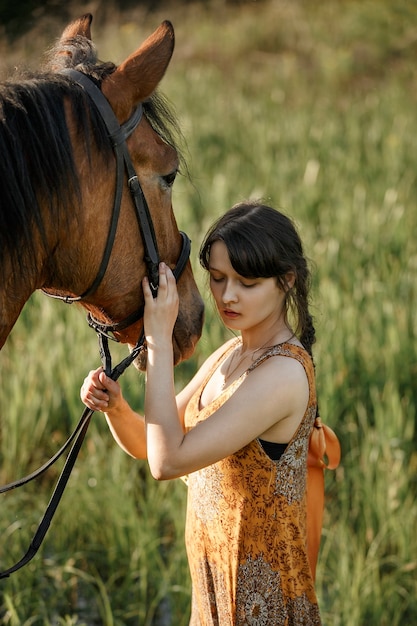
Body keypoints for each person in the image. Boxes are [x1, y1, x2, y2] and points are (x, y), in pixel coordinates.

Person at [81, 201, 322, 625]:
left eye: (246, 283)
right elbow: (149, 443)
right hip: (212, 601)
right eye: (217, 278)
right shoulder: (232, 354)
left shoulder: (283, 373)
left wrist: (158, 339)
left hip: (260, 611)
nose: (227, 296)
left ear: (286, 281)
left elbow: (167, 461)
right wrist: (116, 408)